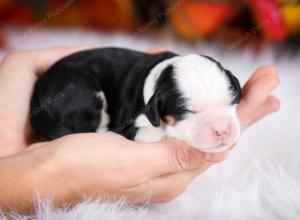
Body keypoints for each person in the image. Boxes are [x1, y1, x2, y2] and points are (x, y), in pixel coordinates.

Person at [0, 47, 280, 214]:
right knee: (86, 99)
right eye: (190, 113)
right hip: (69, 89)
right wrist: (39, 172)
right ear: (156, 111)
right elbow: (138, 131)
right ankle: (81, 128)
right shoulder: (148, 102)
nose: (222, 128)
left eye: (229, 102)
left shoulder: (178, 86)